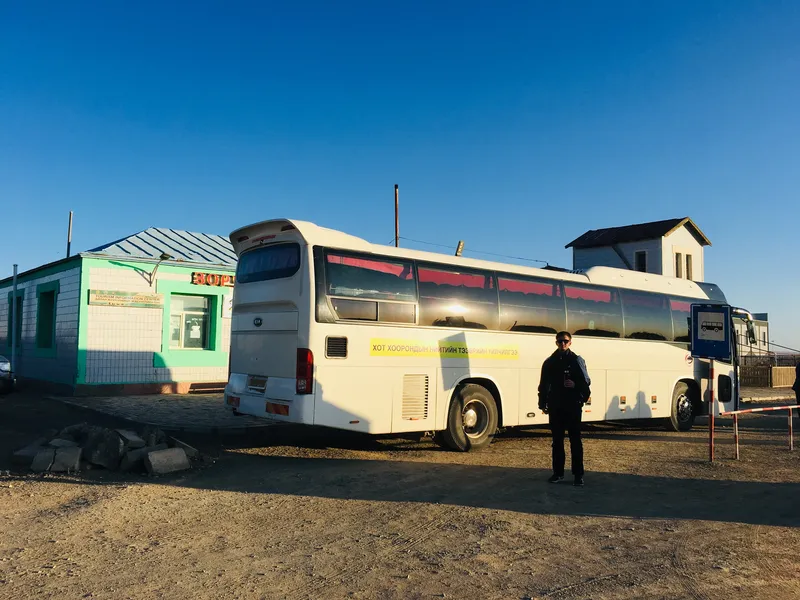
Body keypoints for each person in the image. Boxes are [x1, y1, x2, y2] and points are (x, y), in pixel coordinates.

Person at [538, 331, 591, 486]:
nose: (562, 344)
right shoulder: (549, 362)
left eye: (565, 341)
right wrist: (542, 403)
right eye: (560, 341)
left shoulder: (576, 360)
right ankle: (558, 473)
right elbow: (543, 385)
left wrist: (575, 385)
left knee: (575, 441)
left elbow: (586, 383)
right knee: (557, 442)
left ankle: (578, 475)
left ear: (570, 343)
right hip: (556, 406)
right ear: (556, 343)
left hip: (573, 405)